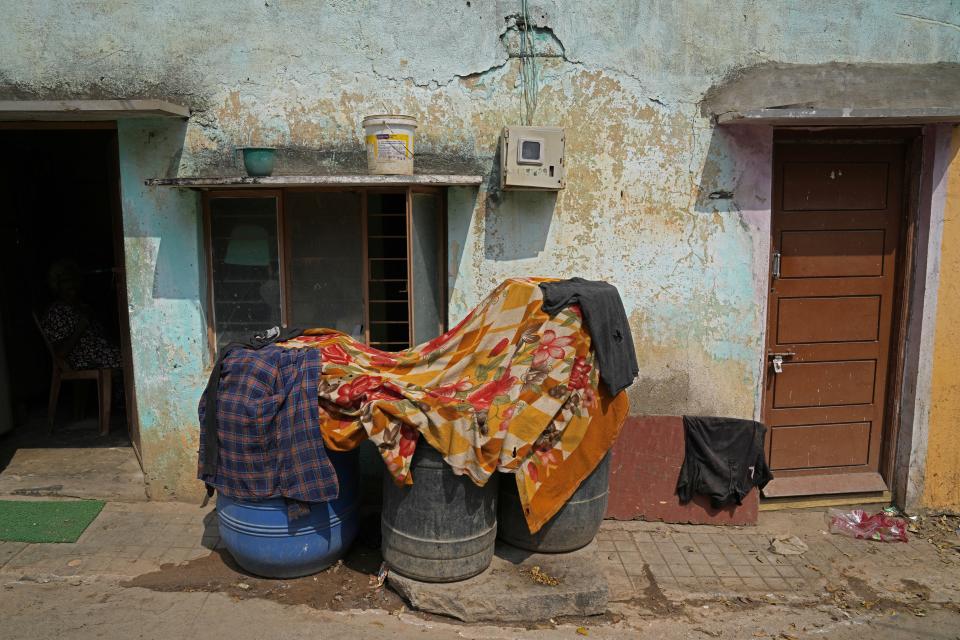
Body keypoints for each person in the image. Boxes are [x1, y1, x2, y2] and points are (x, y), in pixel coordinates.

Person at [41, 259, 121, 370]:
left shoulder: (81, 306)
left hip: (103, 353)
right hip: (84, 360)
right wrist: (81, 325)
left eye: (73, 279)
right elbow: (60, 352)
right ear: (57, 284)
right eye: (65, 280)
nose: (71, 284)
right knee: (127, 361)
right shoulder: (56, 311)